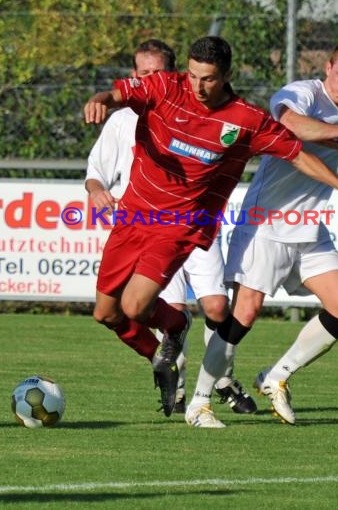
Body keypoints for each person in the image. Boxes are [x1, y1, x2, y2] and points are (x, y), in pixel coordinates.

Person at [84, 35, 338, 422]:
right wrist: (101, 98)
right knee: (107, 313)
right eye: (192, 76)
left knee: (138, 305)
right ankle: (166, 346)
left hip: (184, 224)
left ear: (226, 76)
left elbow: (295, 152)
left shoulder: (245, 119)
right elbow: (119, 93)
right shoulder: (167, 86)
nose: (197, 86)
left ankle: (211, 390)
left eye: (207, 79)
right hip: (138, 217)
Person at [186, 39, 338, 427]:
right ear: (327, 68)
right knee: (244, 315)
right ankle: (199, 403)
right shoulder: (301, 93)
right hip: (267, 224)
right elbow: (289, 125)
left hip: (308, 228)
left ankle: (275, 376)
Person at [85, 38, 256, 415]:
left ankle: (221, 381)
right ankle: (166, 365)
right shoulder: (122, 119)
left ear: (173, 74)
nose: (151, 78)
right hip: (140, 224)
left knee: (215, 306)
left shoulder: (196, 105)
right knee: (116, 312)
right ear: (134, 77)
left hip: (188, 224)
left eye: (158, 72)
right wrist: (97, 190)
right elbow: (96, 172)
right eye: (143, 73)